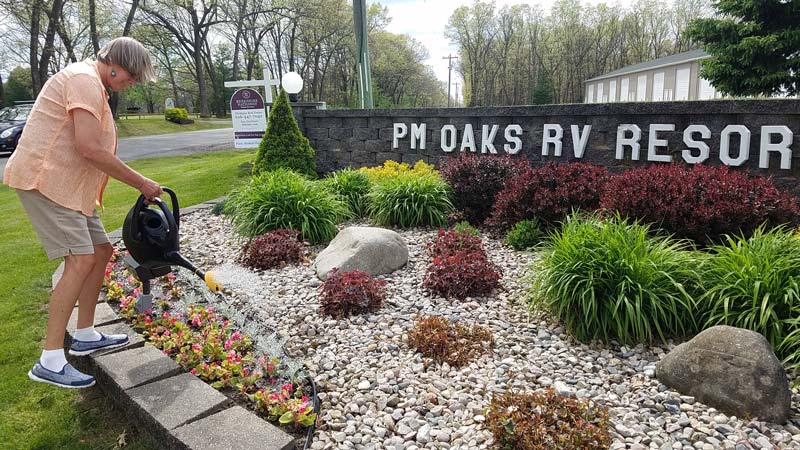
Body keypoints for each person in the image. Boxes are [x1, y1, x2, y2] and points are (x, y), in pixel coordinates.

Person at [3, 37, 163, 388]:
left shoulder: (95, 86)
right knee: (79, 259)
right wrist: (141, 183)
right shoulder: (83, 80)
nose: (131, 84)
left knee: (102, 251)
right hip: (46, 182)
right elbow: (88, 147)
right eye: (131, 77)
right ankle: (49, 360)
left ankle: (86, 333)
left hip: (72, 190)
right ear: (115, 64)